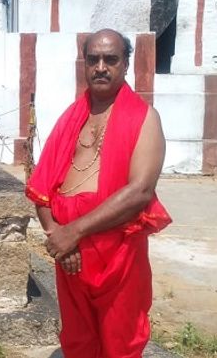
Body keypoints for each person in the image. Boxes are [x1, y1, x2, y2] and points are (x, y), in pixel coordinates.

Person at [26, 29, 172, 358]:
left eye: (111, 59)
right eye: (93, 59)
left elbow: (140, 192)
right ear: (85, 64)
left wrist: (73, 232)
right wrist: (58, 237)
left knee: (119, 342)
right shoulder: (71, 118)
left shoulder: (144, 119)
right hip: (71, 259)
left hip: (118, 256)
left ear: (126, 65)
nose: (101, 67)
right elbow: (42, 187)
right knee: (78, 341)